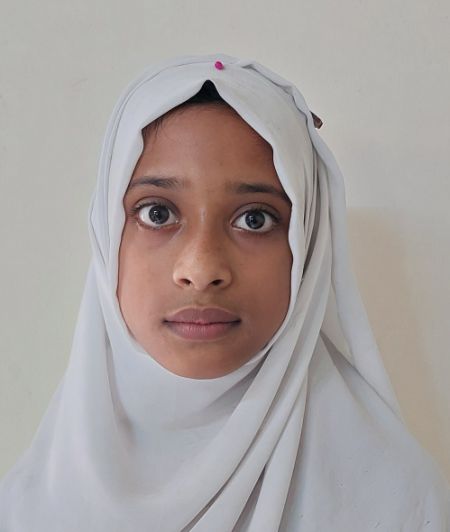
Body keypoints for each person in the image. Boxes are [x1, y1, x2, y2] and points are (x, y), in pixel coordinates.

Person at [0, 53, 448, 531]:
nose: (201, 270)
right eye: (157, 213)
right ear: (107, 235)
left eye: (254, 219)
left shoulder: (396, 504)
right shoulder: (29, 510)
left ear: (308, 246)